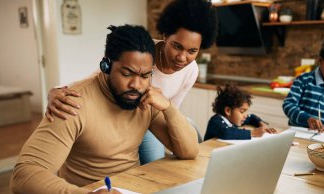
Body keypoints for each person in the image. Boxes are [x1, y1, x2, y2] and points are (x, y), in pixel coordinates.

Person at [10, 24, 199, 194]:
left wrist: (168, 107)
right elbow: (24, 175)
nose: (137, 85)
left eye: (145, 75)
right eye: (127, 73)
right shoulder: (71, 103)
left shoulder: (146, 98)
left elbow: (189, 151)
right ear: (105, 66)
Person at [44, 0, 218, 165]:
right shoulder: (143, 51)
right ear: (165, 35)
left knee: (165, 159)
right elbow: (102, 74)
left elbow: (172, 109)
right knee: (144, 162)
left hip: (152, 120)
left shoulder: (192, 70)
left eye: (192, 51)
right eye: (177, 46)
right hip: (124, 116)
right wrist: (59, 89)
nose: (182, 57)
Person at [204, 84, 276, 141]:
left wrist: (262, 124)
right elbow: (226, 132)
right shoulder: (215, 121)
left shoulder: (233, 119)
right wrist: (253, 133)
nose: (245, 115)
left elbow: (251, 117)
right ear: (228, 111)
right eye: (242, 111)